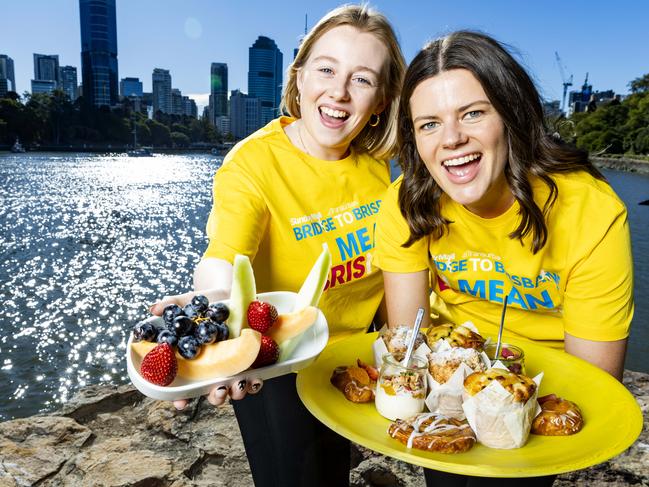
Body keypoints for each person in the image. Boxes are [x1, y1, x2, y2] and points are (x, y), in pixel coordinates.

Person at [150, 5, 406, 486]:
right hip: (279, 364)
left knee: (332, 472)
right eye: (327, 68)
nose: (339, 91)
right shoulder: (252, 164)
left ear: (382, 99)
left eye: (363, 79)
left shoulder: (378, 163)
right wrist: (218, 313)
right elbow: (224, 256)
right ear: (300, 74)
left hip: (350, 359)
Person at [374, 31, 633, 487]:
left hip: (545, 384)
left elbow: (591, 389)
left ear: (512, 116)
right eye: (429, 123)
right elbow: (410, 345)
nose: (451, 138)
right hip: (449, 379)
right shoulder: (406, 205)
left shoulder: (591, 212)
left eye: (473, 113)